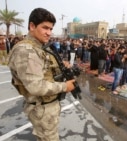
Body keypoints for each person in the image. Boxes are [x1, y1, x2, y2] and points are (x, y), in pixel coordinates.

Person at [7, 8, 76, 141]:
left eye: (51, 29)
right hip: (42, 108)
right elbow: (36, 87)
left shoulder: (38, 47)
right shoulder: (27, 51)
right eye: (45, 28)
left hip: (47, 106)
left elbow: (45, 71)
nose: (49, 33)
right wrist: (64, 87)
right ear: (32, 26)